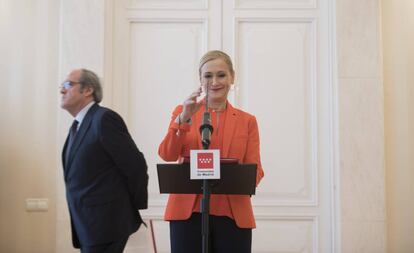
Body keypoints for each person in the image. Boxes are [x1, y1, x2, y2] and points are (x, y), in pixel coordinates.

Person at [158, 50, 264, 253]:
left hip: (232, 214)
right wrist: (183, 119)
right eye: (208, 76)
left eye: (221, 75)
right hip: (188, 214)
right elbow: (167, 154)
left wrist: (242, 179)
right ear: (200, 79)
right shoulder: (182, 112)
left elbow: (256, 170)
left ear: (232, 77)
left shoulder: (247, 121)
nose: (214, 81)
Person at [60, 68, 148, 253]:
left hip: (106, 223)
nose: (62, 90)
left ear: (88, 90)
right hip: (87, 225)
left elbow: (136, 165)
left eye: (68, 84)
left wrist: (131, 206)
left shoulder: (104, 119)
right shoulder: (76, 126)